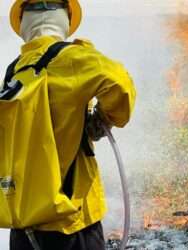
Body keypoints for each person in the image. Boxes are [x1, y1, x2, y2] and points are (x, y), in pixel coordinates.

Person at [6, 1, 136, 249]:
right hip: (71, 223)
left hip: (24, 223)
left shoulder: (15, 71)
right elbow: (120, 84)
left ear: (23, 23)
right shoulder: (72, 58)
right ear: (65, 19)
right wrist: (105, 118)